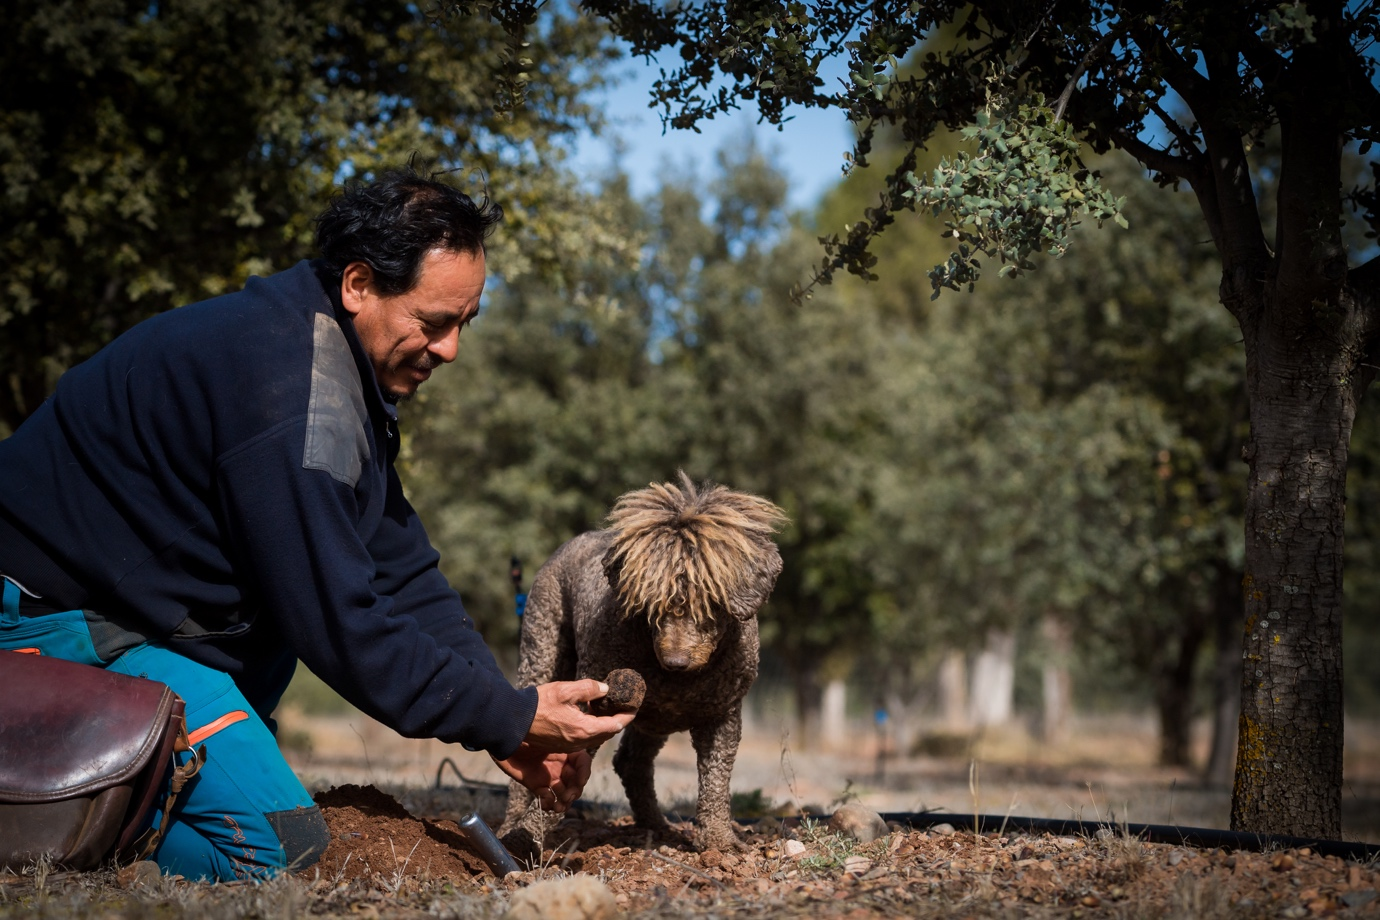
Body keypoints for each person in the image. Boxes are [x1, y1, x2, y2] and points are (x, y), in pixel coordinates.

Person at [0, 166, 633, 881]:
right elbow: (341, 620)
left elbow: (399, 566)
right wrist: (508, 716)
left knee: (268, 649)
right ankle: (36, 818)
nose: (453, 348)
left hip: (130, 612)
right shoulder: (292, 393)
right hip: (50, 622)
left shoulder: (330, 359)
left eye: (465, 323)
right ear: (359, 285)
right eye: (434, 323)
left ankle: (127, 793)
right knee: (274, 846)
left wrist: (502, 718)